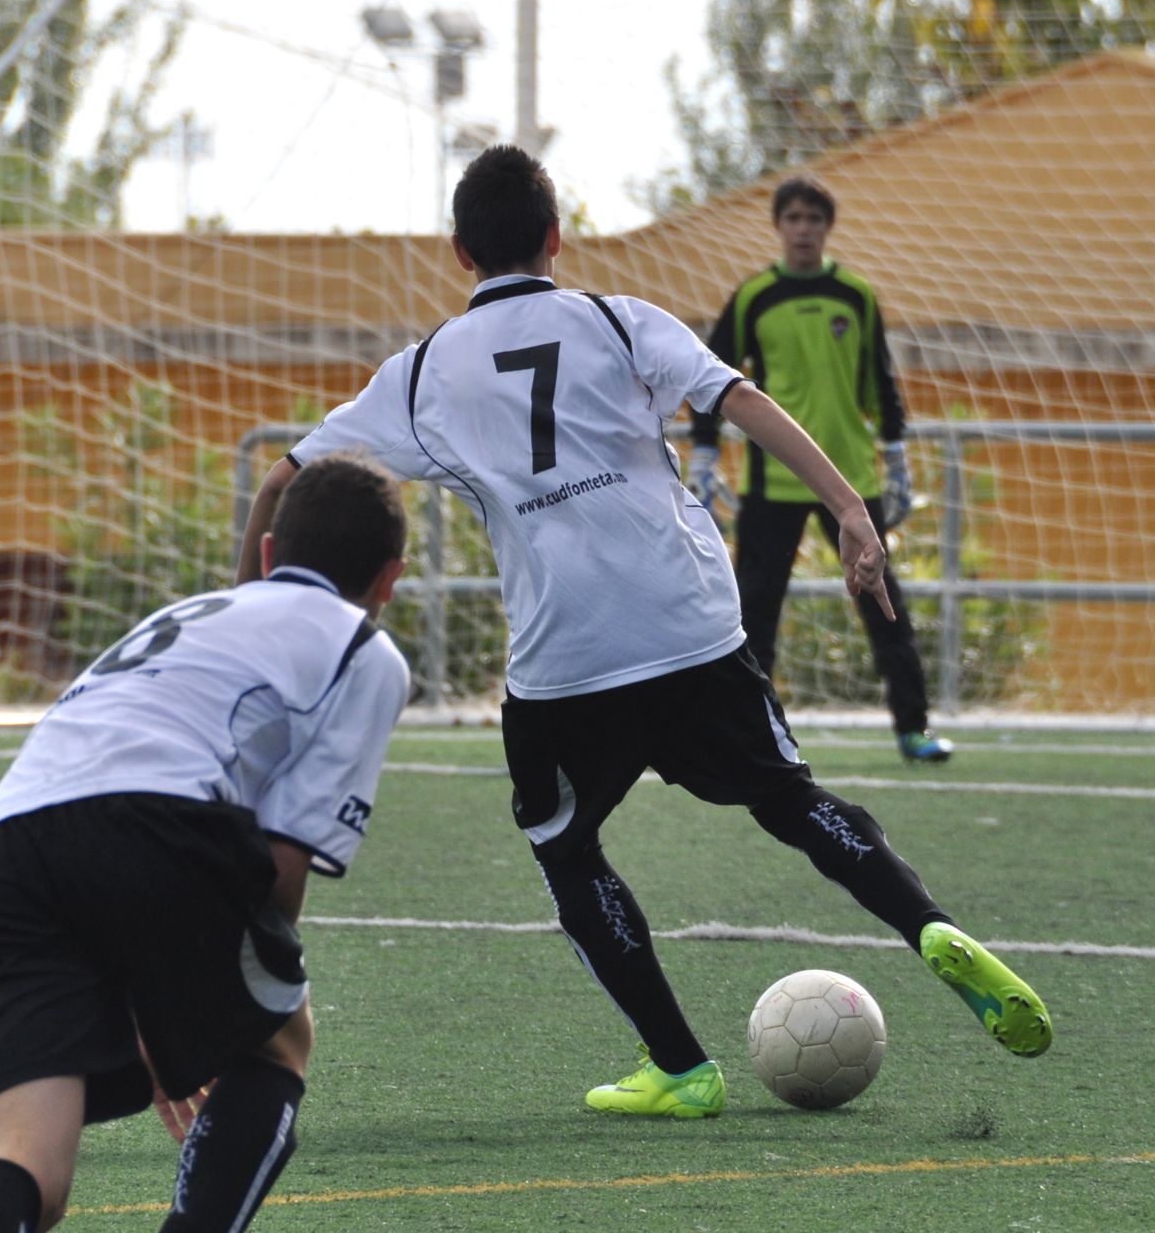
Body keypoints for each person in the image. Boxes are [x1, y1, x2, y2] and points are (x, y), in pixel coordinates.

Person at [239, 146, 1050, 1120]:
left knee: (563, 845)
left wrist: (254, 606)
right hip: (690, 622)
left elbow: (282, 481)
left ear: (459, 251)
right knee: (789, 799)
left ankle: (678, 1065)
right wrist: (847, 508)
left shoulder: (418, 375)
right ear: (554, 237)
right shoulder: (618, 319)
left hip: (565, 656)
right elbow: (740, 403)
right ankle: (926, 925)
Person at [0, 455, 411, 1233]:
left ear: (270, 553)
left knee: (29, 1171)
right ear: (391, 579)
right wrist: (193, 1003)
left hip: (5, 847)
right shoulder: (363, 650)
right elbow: (282, 870)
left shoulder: (187, 613)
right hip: (157, 821)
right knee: (278, 1042)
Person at [688, 173, 952, 763]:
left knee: (884, 607)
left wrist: (896, 456)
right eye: (793, 219)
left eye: (814, 219)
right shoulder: (754, 297)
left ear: (828, 227)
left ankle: (913, 729)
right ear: (778, 227)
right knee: (754, 615)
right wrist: (704, 451)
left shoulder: (855, 294)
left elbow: (880, 381)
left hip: (849, 482)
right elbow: (708, 376)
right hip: (773, 481)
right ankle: (748, 737)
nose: (803, 229)